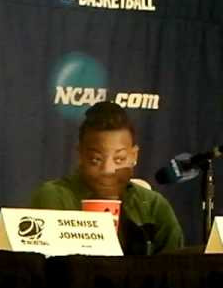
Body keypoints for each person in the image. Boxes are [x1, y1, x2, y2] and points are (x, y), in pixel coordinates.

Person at [30, 101, 184, 255]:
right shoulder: (54, 198)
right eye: (96, 159)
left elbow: (174, 271)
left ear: (133, 156)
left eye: (119, 159)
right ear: (80, 155)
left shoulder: (153, 206)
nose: (108, 170)